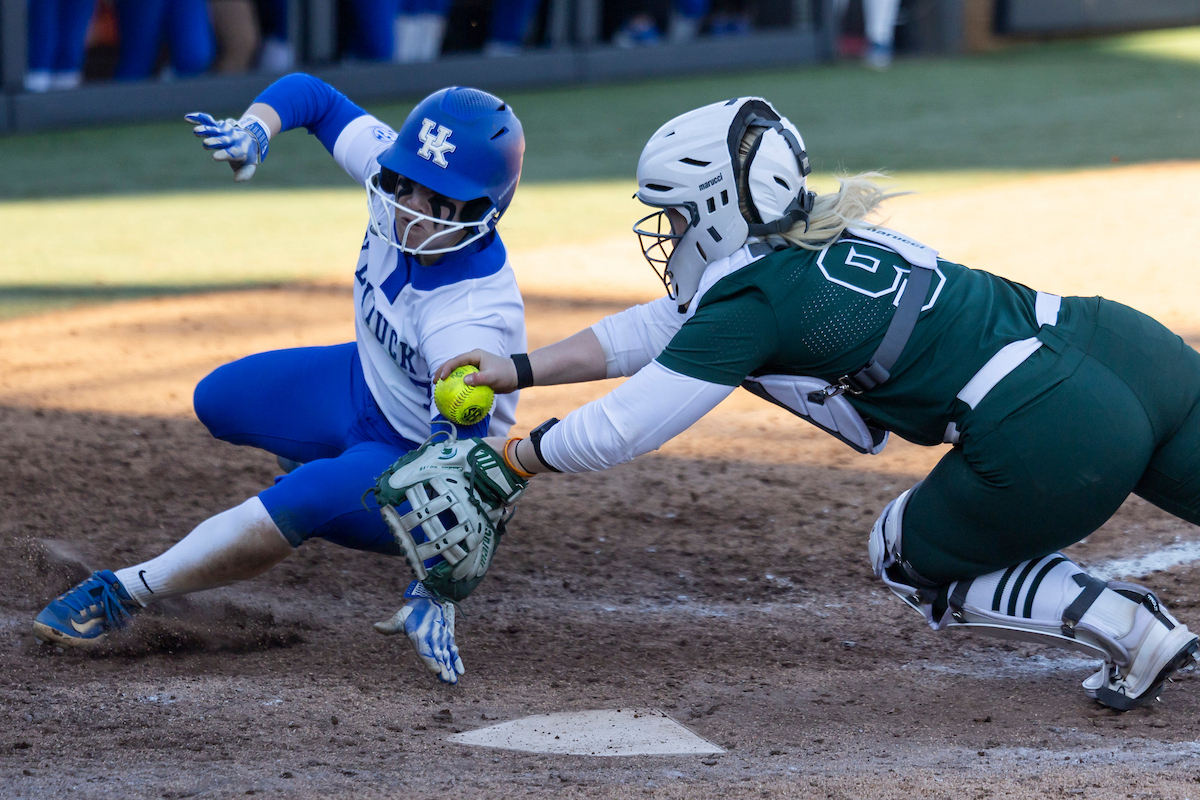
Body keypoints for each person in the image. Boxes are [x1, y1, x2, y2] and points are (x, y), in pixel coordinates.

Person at [437, 96, 1200, 710]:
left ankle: (1130, 626)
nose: (668, 233)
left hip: (1051, 424)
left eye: (674, 214)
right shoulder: (812, 237)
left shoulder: (751, 298)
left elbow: (625, 426)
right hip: (1123, 342)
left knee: (904, 554)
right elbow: (664, 325)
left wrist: (514, 460)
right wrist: (522, 368)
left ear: (715, 204)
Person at [32, 73, 528, 686]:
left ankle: (123, 593)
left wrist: (434, 588)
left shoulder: (471, 319)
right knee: (217, 399)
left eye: (439, 199)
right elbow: (312, 96)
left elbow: (450, 477)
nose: (410, 208)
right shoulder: (395, 180)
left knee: (295, 503)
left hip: (417, 458)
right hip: (360, 382)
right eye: (405, 182)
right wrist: (255, 129)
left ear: (484, 209)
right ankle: (328, 470)